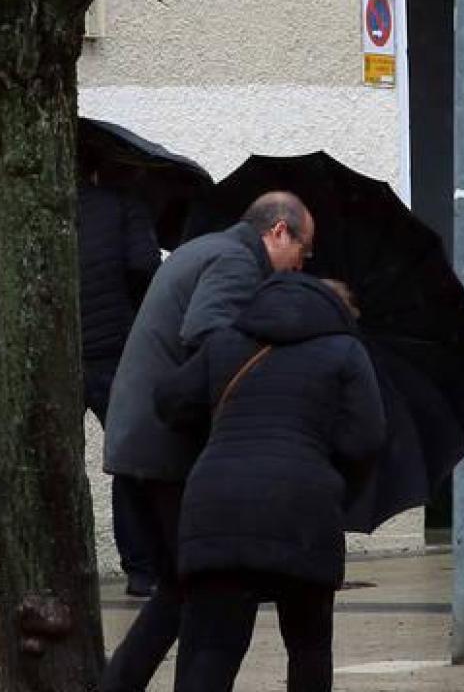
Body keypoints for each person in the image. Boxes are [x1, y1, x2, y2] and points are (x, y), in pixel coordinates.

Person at [100, 191, 316, 692]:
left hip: (141, 440)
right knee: (211, 592)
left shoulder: (205, 249)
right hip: (166, 448)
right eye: (302, 252)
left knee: (179, 588)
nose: (300, 266)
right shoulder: (237, 263)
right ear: (279, 231)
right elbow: (211, 339)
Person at [154, 274, 386, 692]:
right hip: (303, 510)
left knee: (213, 648)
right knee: (308, 646)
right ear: (339, 313)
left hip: (215, 506)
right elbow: (366, 438)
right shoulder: (345, 351)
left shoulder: (225, 341)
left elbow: (170, 401)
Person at [77, 165, 164, 597]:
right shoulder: (126, 204)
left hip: (62, 350)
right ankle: (142, 568)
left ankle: (65, 565)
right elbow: (143, 266)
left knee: (59, 465)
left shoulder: (49, 207)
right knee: (132, 461)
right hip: (115, 350)